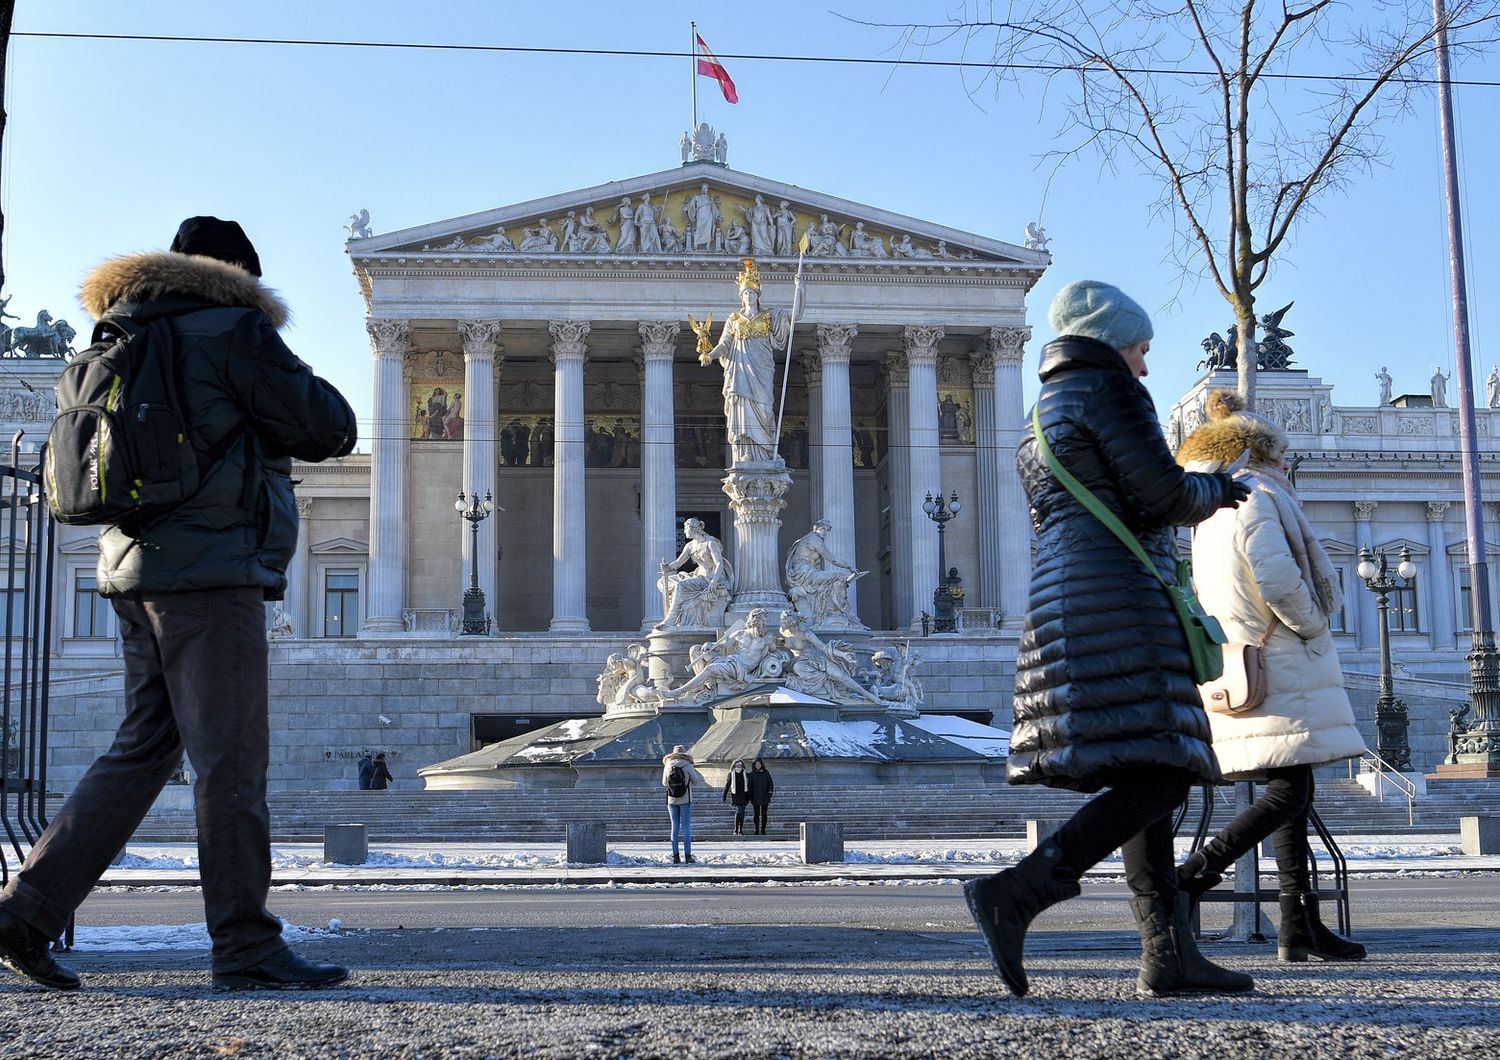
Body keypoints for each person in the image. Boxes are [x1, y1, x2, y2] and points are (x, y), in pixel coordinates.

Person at [0, 217, 357, 993]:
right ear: (233, 274)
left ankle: (24, 911)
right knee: (231, 761)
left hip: (130, 574)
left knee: (143, 748)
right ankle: (246, 946)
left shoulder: (105, 341)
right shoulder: (232, 329)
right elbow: (331, 425)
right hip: (211, 576)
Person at [963, 279, 1253, 999]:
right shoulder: (1109, 391)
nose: (1147, 367)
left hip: (1067, 603)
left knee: (1144, 766)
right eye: (1141, 348)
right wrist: (1221, 489)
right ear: (1111, 340)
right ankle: (1021, 890)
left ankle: (1168, 953)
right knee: (1166, 770)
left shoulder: (1039, 415)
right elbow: (1163, 496)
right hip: (1121, 600)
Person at [1174, 389, 1368, 963]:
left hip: (1243, 657)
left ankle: (1297, 924)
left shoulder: (1208, 508)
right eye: (1284, 454)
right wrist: (1311, 624)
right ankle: (1195, 876)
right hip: (1277, 655)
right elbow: (1278, 579)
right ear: (1255, 454)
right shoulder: (1256, 497)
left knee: (1293, 787)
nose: (1289, 464)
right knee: (1289, 791)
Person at [695, 258, 795, 466]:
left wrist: (800, 290)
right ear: (741, 297)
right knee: (742, 416)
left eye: (752, 293)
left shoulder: (770, 317)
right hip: (741, 376)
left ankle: (766, 455)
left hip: (762, 371)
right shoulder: (734, 320)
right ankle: (745, 457)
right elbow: (724, 344)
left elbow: (797, 315)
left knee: (766, 412)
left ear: (758, 295)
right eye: (745, 293)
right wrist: (709, 355)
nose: (748, 297)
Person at [662, 745, 709, 863]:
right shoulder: (687, 764)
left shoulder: (668, 764)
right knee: (686, 827)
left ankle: (675, 856)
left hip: (671, 799)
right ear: (684, 753)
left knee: (674, 826)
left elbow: (664, 782)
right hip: (685, 798)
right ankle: (688, 856)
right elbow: (696, 781)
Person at [722, 759, 751, 835]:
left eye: (740, 765)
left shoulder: (745, 774)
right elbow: (727, 785)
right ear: (734, 766)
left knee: (742, 813)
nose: (739, 767)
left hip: (744, 795)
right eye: (737, 765)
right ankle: (736, 829)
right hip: (736, 795)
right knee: (739, 812)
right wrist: (724, 795)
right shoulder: (731, 774)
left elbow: (750, 783)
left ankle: (740, 829)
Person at [747, 758, 775, 835]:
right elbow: (749, 786)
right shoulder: (752, 774)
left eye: (759, 764)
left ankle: (763, 830)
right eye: (756, 764)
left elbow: (770, 783)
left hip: (765, 796)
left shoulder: (766, 773)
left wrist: (770, 792)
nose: (758, 765)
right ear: (754, 765)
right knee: (756, 814)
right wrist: (749, 795)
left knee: (764, 814)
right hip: (755, 797)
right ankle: (756, 829)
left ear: (762, 764)